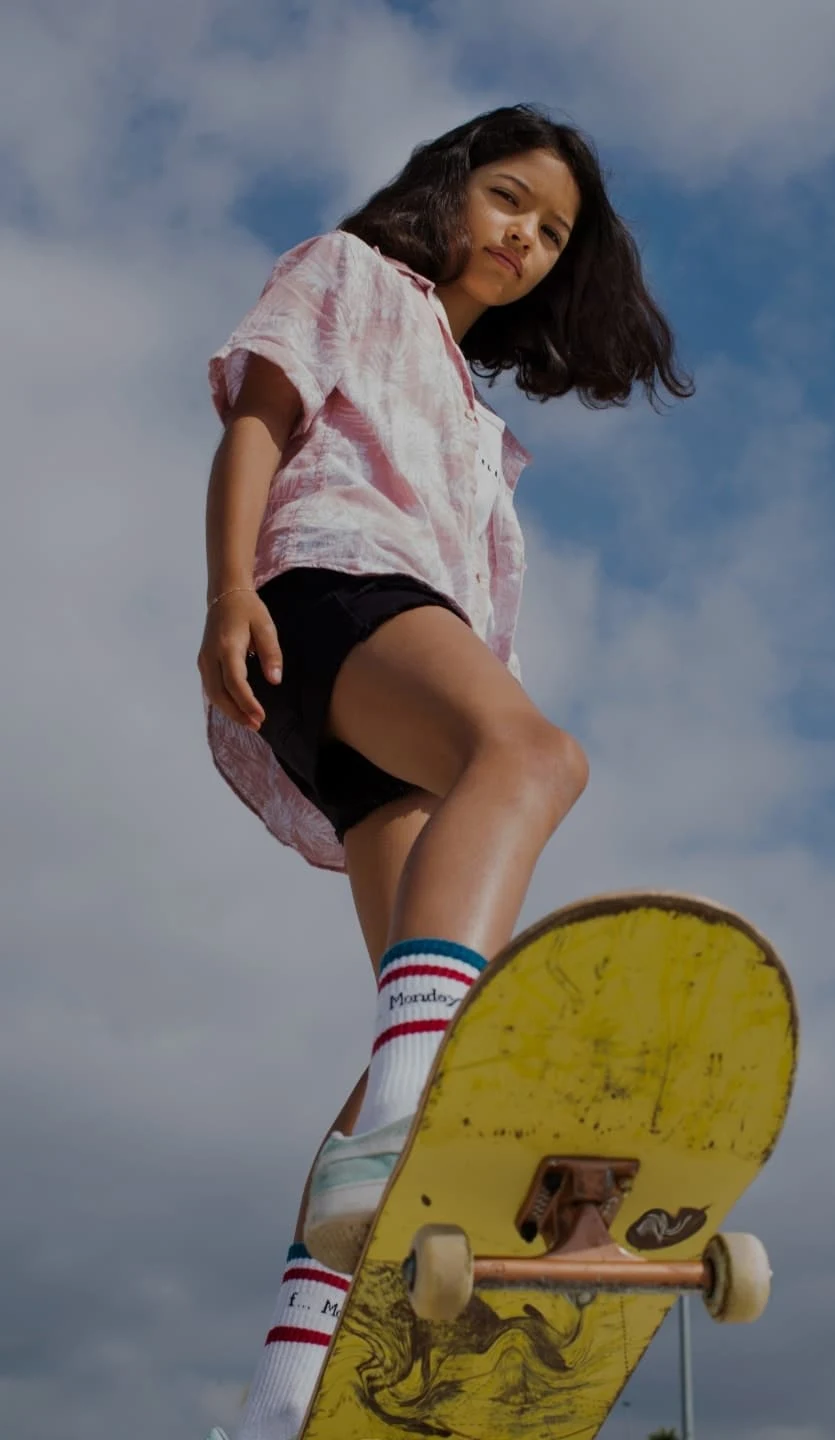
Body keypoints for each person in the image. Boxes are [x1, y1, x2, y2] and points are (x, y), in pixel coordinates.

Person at [198, 103, 693, 1440]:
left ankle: (285, 1388)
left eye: (554, 230)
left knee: (422, 1023)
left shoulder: (478, 417)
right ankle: (416, 1121)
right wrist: (227, 592)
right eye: (512, 199)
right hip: (332, 593)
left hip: (380, 698)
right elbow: (259, 417)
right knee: (530, 754)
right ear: (448, 188)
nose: (527, 236)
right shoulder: (350, 273)